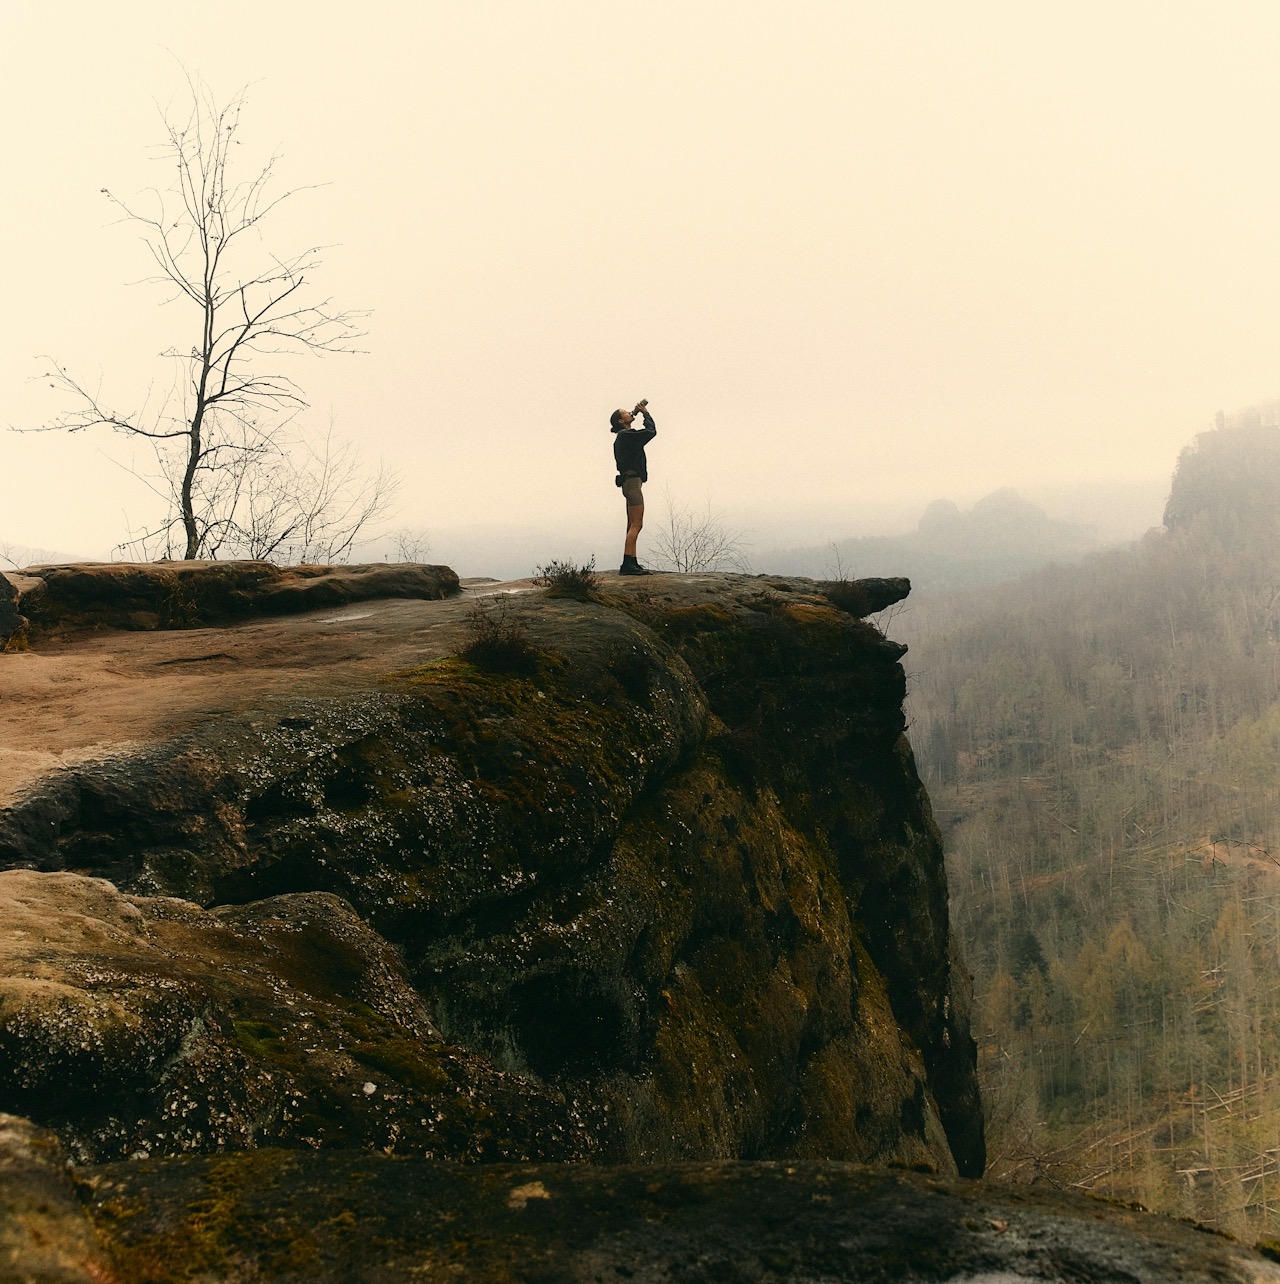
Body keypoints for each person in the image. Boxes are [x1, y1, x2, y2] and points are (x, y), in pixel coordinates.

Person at [611, 399, 657, 575]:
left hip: (628, 482)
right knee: (637, 524)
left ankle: (631, 561)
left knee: (631, 524)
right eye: (626, 412)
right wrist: (645, 413)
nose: (630, 413)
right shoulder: (626, 436)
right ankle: (628, 565)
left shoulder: (624, 437)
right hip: (632, 482)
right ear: (621, 421)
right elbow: (651, 432)